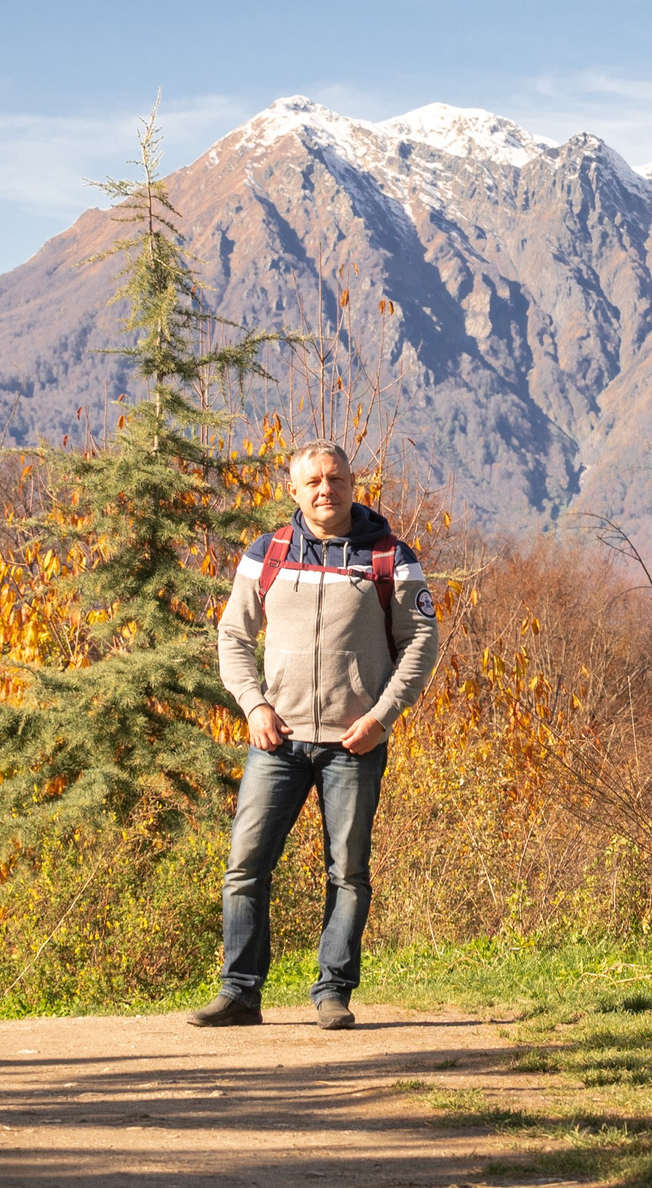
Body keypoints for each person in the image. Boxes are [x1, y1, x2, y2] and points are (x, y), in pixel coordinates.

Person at [194, 439, 439, 1029]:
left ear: (354, 484)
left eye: (335, 479)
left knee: (347, 872)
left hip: (354, 743)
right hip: (276, 740)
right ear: (294, 491)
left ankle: (333, 993)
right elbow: (232, 637)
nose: (325, 489)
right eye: (313, 482)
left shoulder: (391, 556)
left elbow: (421, 643)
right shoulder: (268, 552)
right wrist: (254, 706)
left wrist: (382, 717)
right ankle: (239, 993)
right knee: (245, 866)